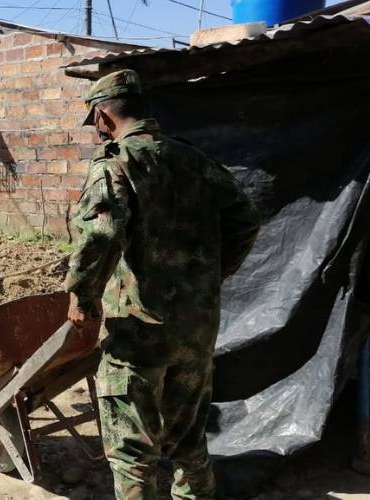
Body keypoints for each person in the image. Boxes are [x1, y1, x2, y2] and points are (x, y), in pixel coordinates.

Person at [65, 69, 262, 500]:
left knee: (132, 447)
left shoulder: (117, 163)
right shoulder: (195, 160)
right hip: (196, 328)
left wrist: (83, 294)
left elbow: (100, 234)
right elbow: (246, 218)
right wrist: (211, 274)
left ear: (102, 115)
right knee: (189, 441)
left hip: (140, 331)